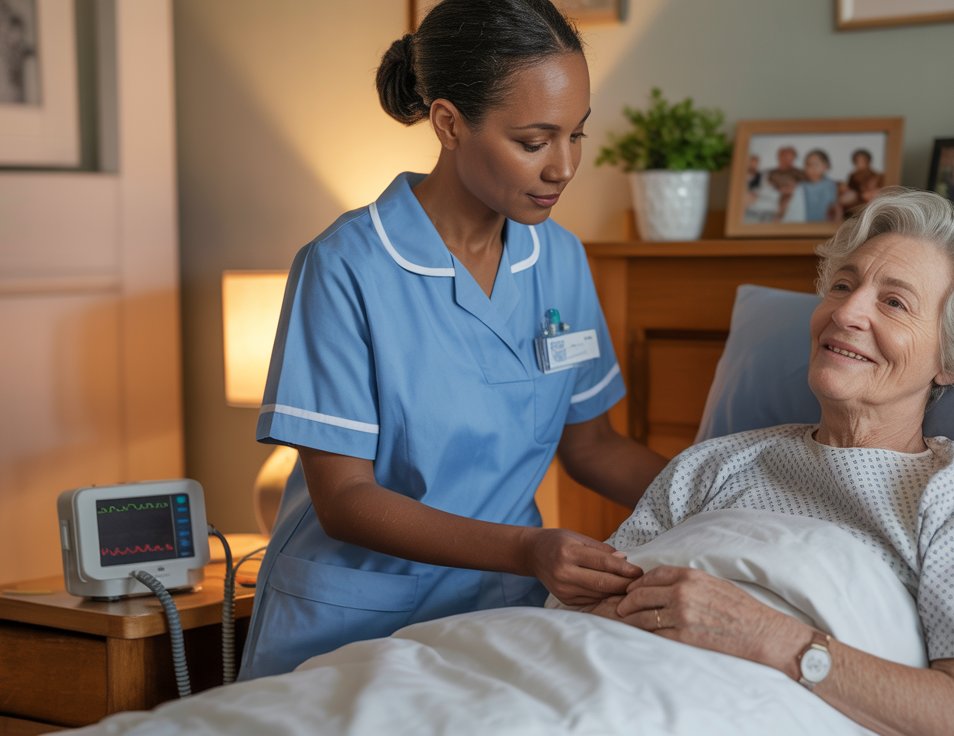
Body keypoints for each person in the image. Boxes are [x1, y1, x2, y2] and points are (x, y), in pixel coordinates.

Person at [238, 0, 668, 681]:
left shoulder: (559, 259)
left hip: (497, 611)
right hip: (351, 619)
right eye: (534, 142)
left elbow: (592, 447)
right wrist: (527, 549)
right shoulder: (347, 266)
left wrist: (724, 493)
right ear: (448, 124)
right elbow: (344, 499)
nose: (564, 167)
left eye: (577, 134)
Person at [577, 189, 954, 736]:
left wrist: (764, 634)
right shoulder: (712, 464)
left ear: (950, 358)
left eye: (894, 303)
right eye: (842, 285)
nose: (845, 312)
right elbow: (581, 608)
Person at [798, 149, 840, 222]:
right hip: (804, 224)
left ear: (826, 165)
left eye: (816, 165)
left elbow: (835, 206)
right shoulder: (802, 186)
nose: (812, 168)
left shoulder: (830, 184)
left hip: (825, 224)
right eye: (809, 165)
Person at [768, 146, 808, 222]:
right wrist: (779, 189)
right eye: (784, 156)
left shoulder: (799, 173)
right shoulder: (771, 173)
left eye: (791, 157)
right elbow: (768, 186)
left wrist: (794, 188)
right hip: (774, 198)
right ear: (779, 157)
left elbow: (805, 186)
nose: (788, 159)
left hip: (792, 200)